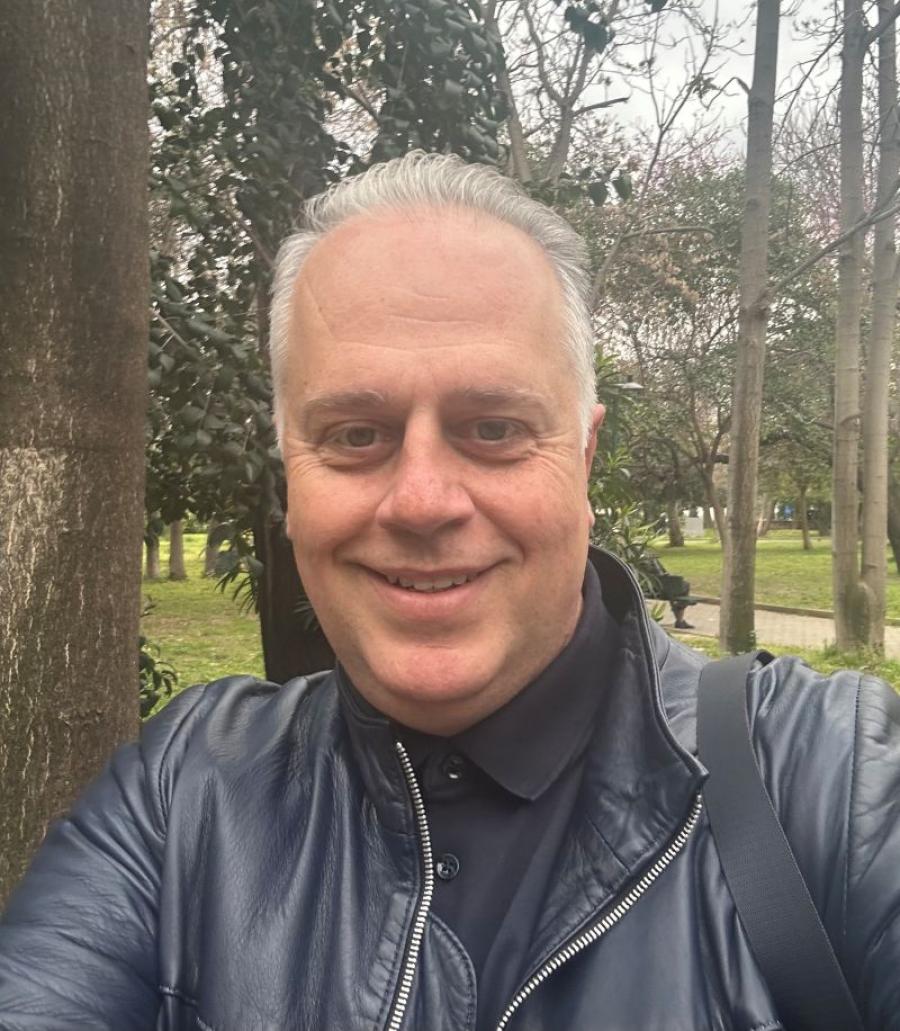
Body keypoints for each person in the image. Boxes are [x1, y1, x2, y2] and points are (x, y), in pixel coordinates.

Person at [1, 151, 898, 1031]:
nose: (422, 501)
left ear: (584, 458)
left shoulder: (834, 782)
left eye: (494, 428)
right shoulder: (185, 795)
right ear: (289, 472)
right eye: (356, 434)